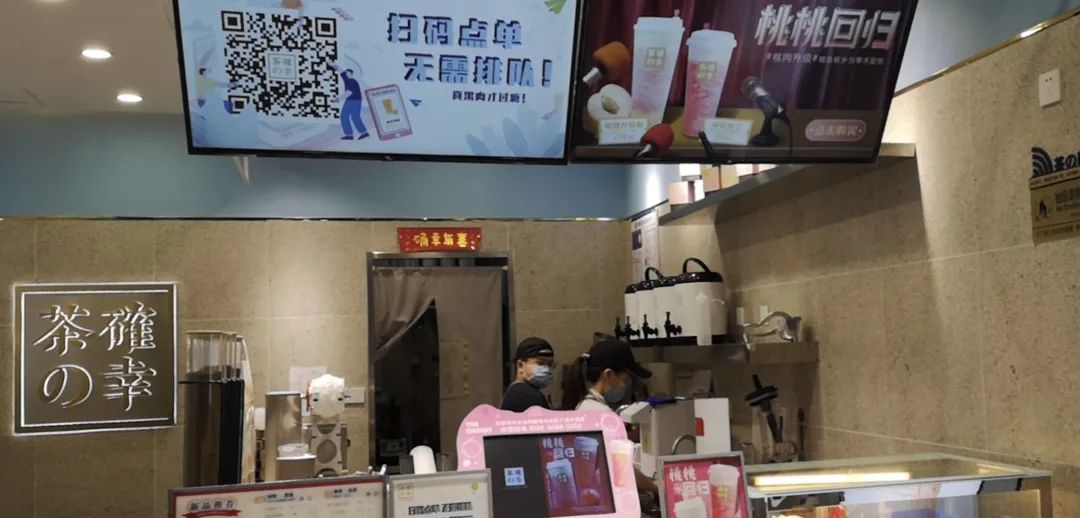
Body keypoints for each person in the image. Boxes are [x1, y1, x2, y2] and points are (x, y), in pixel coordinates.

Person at [562, 338, 659, 496]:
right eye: (625, 379)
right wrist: (655, 487)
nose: (626, 384)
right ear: (608, 374)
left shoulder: (584, 406)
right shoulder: (603, 415)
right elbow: (623, 468)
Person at [499, 337, 556, 412]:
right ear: (520, 366)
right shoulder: (526, 395)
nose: (547, 369)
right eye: (540, 363)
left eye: (550, 364)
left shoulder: (516, 391)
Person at [330, 64, 369, 140]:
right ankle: (352, 134)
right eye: (346, 73)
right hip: (351, 100)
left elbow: (349, 92)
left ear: (351, 74)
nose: (346, 74)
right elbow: (341, 70)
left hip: (354, 101)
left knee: (351, 116)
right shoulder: (346, 80)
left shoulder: (352, 81)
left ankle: (358, 133)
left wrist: (338, 99)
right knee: (348, 116)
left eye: (347, 73)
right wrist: (331, 64)